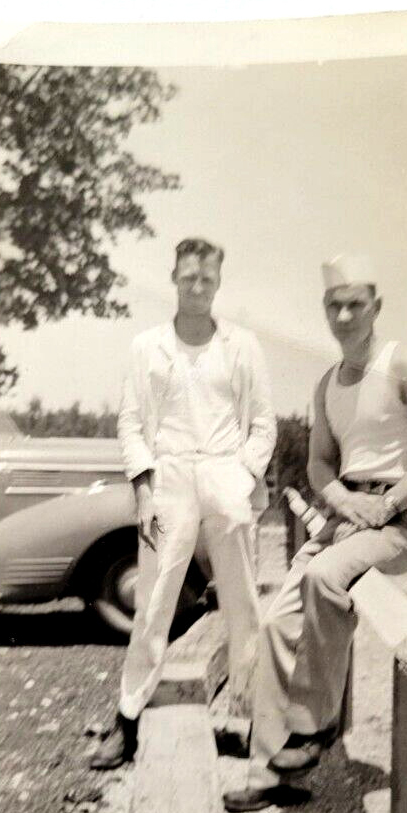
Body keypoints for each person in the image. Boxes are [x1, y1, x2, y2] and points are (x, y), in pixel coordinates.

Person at [223, 254, 407, 811]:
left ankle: (313, 727)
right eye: (335, 306)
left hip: (400, 521)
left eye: (356, 304)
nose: (345, 315)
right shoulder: (327, 382)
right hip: (345, 518)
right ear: (324, 311)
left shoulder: (403, 364)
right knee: (277, 624)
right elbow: (319, 465)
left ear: (376, 307)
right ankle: (272, 776)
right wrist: (346, 502)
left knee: (325, 577)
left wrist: (389, 503)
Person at [91, 237, 276, 769]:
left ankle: (244, 720)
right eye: (189, 277)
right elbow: (131, 423)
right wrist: (143, 489)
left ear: (219, 282)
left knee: (242, 605)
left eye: (207, 278)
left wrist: (242, 477)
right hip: (168, 477)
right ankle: (128, 720)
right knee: (152, 605)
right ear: (173, 277)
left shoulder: (242, 345)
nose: (198, 287)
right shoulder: (147, 346)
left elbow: (264, 423)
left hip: (225, 473)